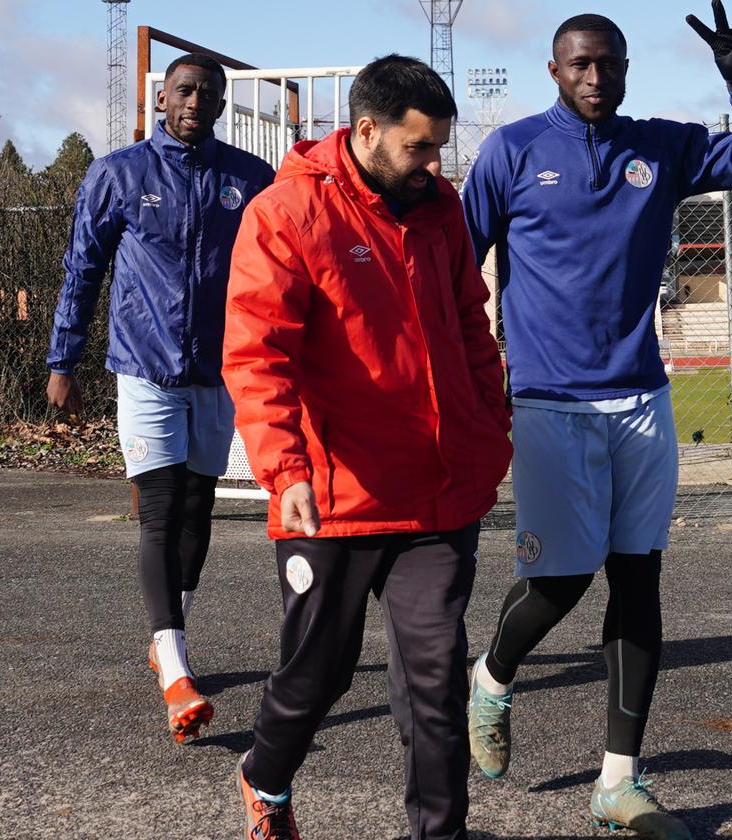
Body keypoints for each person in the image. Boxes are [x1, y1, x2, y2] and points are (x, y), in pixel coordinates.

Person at [460, 4, 732, 838]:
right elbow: (456, 265)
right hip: (547, 402)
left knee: (638, 579)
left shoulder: (663, 145)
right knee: (562, 582)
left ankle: (619, 783)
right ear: (553, 71)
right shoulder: (511, 152)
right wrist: (466, 373)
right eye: (579, 64)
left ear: (627, 66)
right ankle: (492, 679)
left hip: (642, 396)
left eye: (608, 63)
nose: (595, 77)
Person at [223, 54, 512, 840]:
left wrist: (491, 423)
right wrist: (283, 469)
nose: (434, 164)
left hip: (436, 491)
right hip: (332, 497)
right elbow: (257, 357)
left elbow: (468, 325)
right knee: (318, 673)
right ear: (366, 132)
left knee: (435, 680)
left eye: (440, 148)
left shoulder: (440, 207)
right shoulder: (286, 213)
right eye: (419, 148)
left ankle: (438, 834)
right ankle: (265, 777)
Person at [46, 53, 275, 744]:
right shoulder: (119, 173)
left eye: (208, 92)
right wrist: (64, 359)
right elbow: (83, 267)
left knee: (199, 507)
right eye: (183, 90)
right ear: (161, 98)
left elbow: (278, 274)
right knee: (160, 509)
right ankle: (175, 668)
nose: (195, 101)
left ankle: (170, 629)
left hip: (218, 372)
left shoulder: (250, 179)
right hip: (143, 367)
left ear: (221, 102)